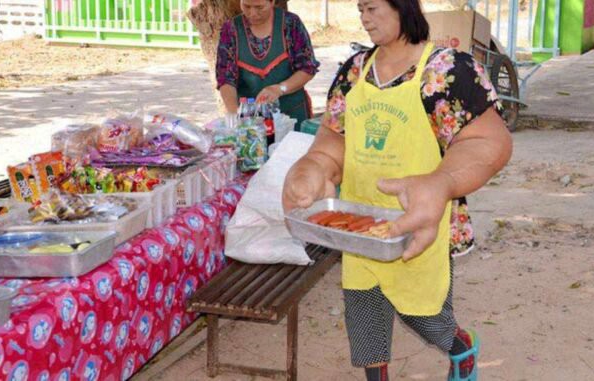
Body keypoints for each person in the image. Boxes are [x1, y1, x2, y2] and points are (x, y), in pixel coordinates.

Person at [281, 0, 513, 379]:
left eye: (372, 8)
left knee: (426, 316)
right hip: (359, 226)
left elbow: (490, 141)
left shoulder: (448, 70)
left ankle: (461, 347)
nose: (364, 18)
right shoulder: (354, 72)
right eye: (360, 10)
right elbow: (331, 141)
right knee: (365, 324)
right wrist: (313, 167)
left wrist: (442, 182)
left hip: (422, 225)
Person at [216, 0, 319, 131]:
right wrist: (233, 114)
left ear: (272, 2)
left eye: (259, 7)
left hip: (292, 115)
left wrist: (280, 89)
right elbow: (225, 77)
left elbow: (307, 68)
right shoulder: (231, 29)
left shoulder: (290, 24)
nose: (252, 13)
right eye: (246, 6)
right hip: (249, 120)